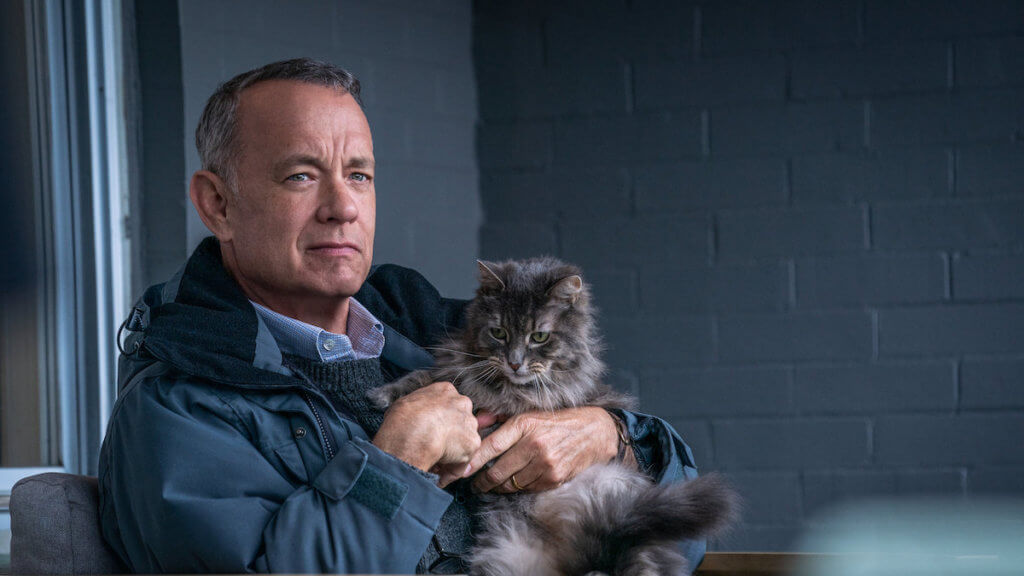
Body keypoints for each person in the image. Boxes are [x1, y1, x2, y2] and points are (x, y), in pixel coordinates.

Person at [98, 58, 704, 574]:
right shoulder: (176, 408)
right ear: (218, 204)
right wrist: (393, 466)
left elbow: (689, 532)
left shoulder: (436, 331)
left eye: (358, 174)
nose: (342, 207)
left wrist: (612, 436)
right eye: (301, 175)